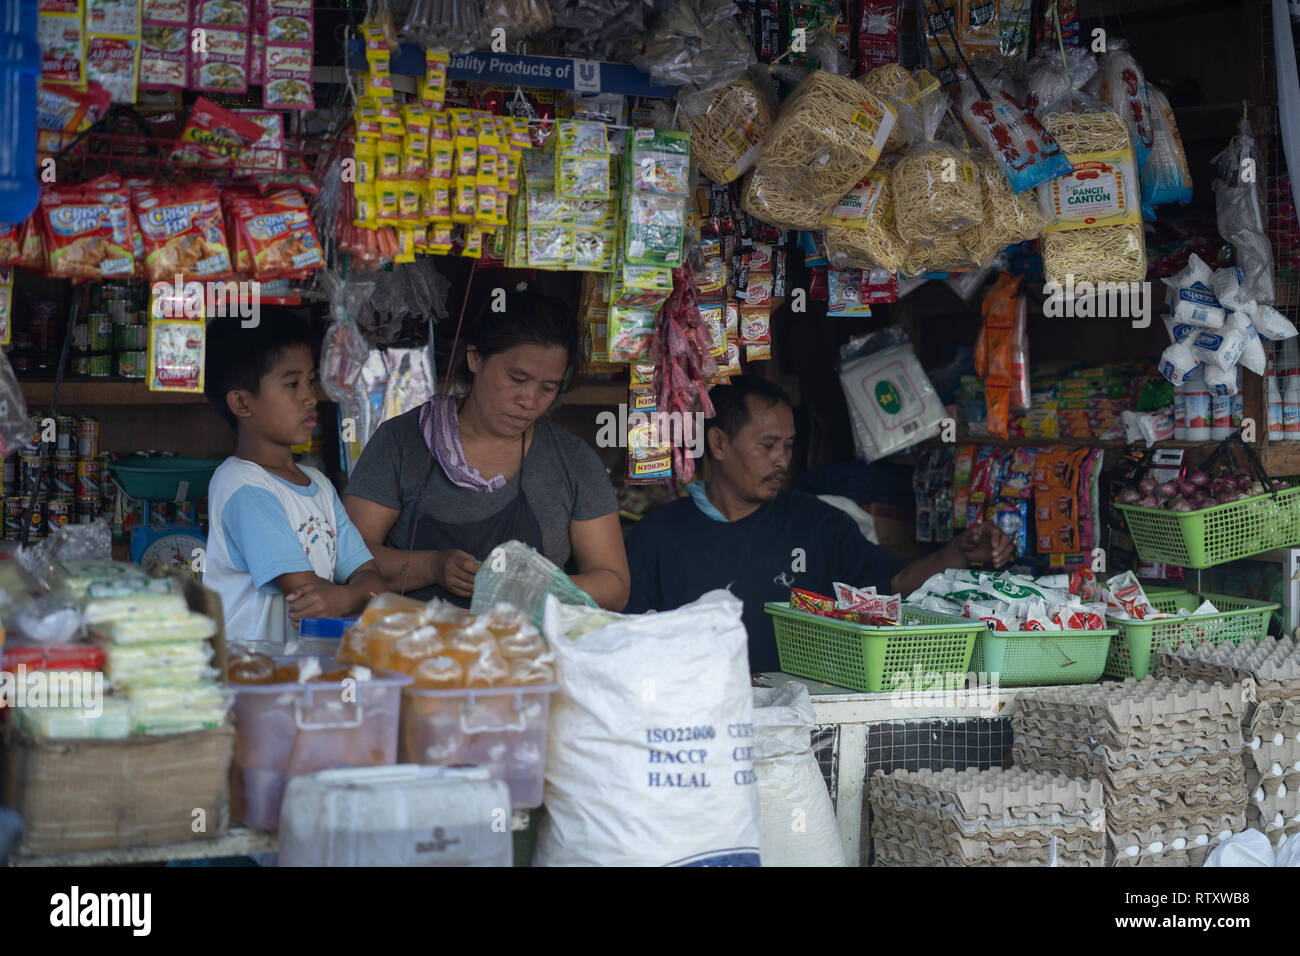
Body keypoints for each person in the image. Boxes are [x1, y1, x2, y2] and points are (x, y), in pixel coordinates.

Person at [624, 375, 1013, 672]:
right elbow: (624, 638)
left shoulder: (819, 524)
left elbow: (894, 585)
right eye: (768, 445)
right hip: (693, 726)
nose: (782, 460)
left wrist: (958, 553)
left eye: (789, 446)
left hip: (801, 721)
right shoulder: (659, 535)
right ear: (720, 444)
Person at [343, 289, 630, 610]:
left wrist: (533, 588)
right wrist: (432, 567)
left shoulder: (572, 461)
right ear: (475, 357)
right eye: (517, 378)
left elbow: (614, 585)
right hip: (415, 647)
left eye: (548, 388)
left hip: (527, 652)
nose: (530, 400)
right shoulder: (400, 442)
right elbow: (345, 556)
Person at [203, 313, 386, 645]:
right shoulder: (242, 485)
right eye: (292, 384)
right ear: (242, 402)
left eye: (311, 380)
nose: (310, 397)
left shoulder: (318, 484)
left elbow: (374, 580)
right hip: (251, 673)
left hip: (305, 666)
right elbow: (307, 592)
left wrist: (346, 597)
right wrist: (352, 596)